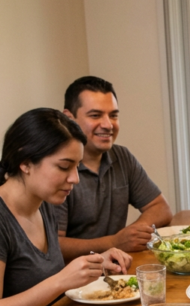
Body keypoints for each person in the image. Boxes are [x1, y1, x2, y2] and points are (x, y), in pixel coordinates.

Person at [0, 108, 132, 306]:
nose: (75, 178)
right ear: (25, 162)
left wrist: (95, 266)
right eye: (64, 167)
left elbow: (38, 280)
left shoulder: (45, 204)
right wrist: (61, 281)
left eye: (76, 166)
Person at [57, 76, 172, 257]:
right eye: (95, 115)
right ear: (68, 118)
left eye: (113, 115)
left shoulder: (122, 157)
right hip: (76, 278)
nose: (108, 124)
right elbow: (53, 246)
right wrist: (114, 242)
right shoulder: (57, 169)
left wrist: (131, 235)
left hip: (118, 268)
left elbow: (161, 208)